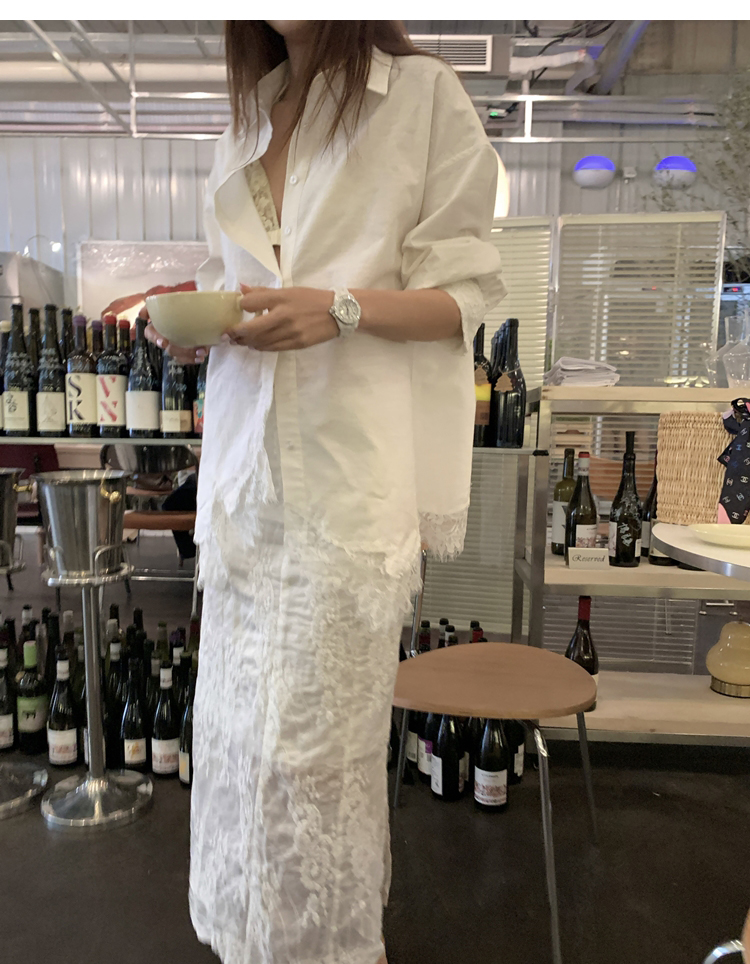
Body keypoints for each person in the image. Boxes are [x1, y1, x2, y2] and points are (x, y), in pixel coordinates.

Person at [144, 20, 505, 964]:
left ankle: (331, 951)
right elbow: (231, 283)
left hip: (346, 488)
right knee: (233, 747)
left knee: (314, 764)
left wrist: (340, 309)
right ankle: (243, 943)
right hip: (244, 487)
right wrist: (191, 325)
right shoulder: (248, 118)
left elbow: (464, 293)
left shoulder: (420, 97)